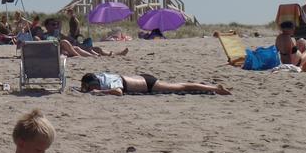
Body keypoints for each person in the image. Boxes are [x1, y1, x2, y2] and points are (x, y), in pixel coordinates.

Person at [79, 72, 232, 95]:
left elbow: (118, 92)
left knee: (182, 86)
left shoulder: (107, 82)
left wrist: (100, 93)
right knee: (181, 85)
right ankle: (212, 87)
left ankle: (215, 88)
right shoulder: (103, 78)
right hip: (141, 79)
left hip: (147, 84)